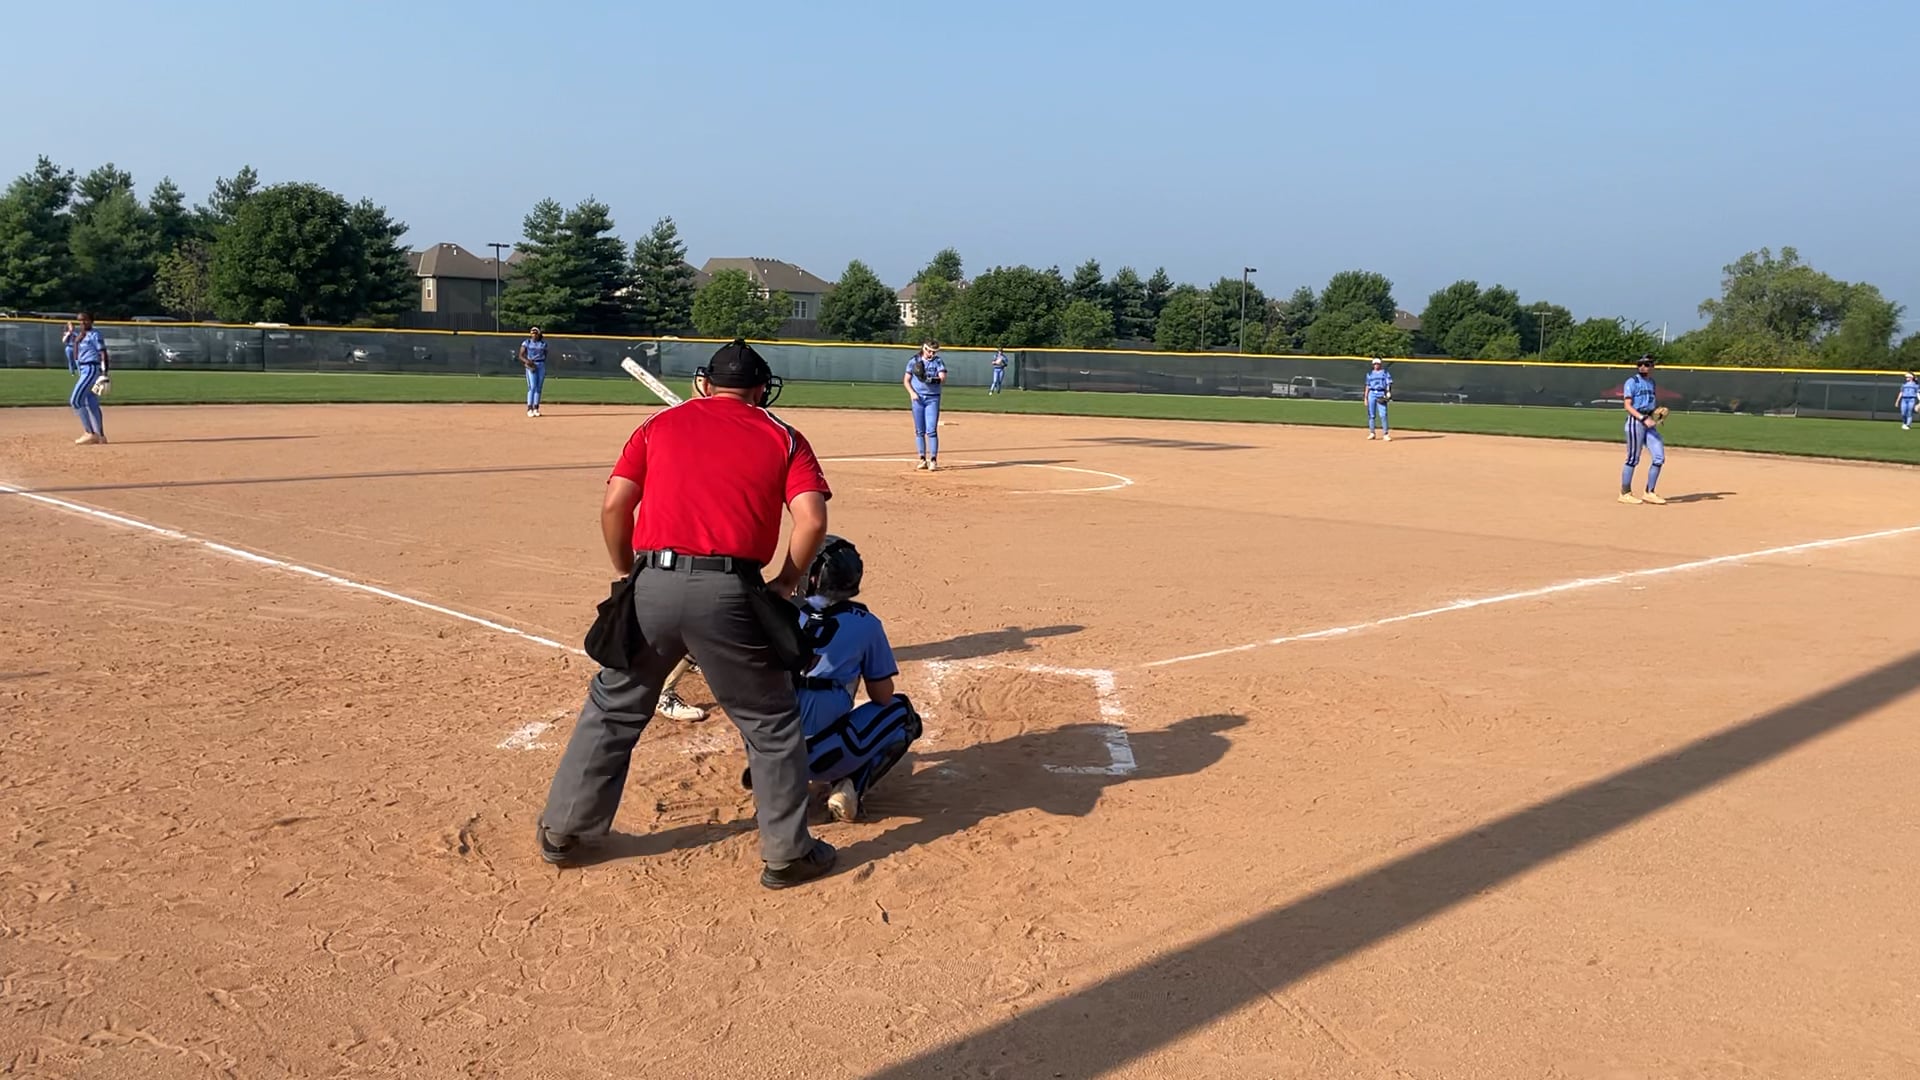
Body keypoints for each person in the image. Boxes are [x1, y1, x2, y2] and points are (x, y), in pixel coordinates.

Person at [537, 338, 838, 889]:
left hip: (651, 581)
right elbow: (812, 520)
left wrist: (628, 572)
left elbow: (615, 504)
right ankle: (787, 854)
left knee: (614, 707)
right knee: (769, 722)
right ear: (760, 390)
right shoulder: (783, 435)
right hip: (730, 591)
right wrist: (786, 582)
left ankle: (565, 831)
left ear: (705, 383)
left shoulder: (658, 425)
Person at [740, 535, 922, 824]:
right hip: (824, 754)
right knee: (903, 714)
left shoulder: (776, 613)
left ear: (811, 578)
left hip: (768, 746)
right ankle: (850, 788)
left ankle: (772, 785)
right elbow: (882, 696)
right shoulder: (866, 623)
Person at [1619, 354, 1668, 505]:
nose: (1642, 367)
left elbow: (1649, 405)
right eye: (1640, 364)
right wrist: (1643, 418)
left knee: (1659, 457)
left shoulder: (1651, 382)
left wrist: (1657, 412)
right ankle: (1625, 493)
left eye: (1646, 364)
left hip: (1648, 421)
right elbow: (1627, 406)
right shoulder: (1632, 382)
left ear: (1652, 366)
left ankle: (1649, 492)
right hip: (1635, 422)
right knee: (1633, 458)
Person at [62, 313, 110, 445]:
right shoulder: (80, 335)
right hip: (83, 369)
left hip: (91, 368)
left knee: (76, 400)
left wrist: (104, 373)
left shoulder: (95, 334)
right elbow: (70, 346)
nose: (82, 322)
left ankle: (90, 433)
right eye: (80, 321)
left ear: (91, 321)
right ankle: (100, 436)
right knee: (91, 401)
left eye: (85, 320)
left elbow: (103, 353)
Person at [904, 341, 947, 470]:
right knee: (919, 431)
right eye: (930, 351)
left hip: (932, 398)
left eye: (934, 352)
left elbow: (942, 378)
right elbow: (906, 380)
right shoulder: (914, 361)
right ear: (924, 348)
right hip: (918, 398)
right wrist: (912, 393)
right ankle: (922, 459)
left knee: (931, 430)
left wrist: (927, 379)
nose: (932, 354)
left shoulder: (938, 361)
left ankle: (933, 460)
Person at [518, 327, 548, 417]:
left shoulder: (543, 344)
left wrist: (540, 363)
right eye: (532, 333)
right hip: (531, 364)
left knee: (539, 387)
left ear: (539, 334)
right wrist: (527, 362)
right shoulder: (527, 342)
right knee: (532, 386)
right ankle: (529, 408)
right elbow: (521, 355)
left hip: (540, 364)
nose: (534, 335)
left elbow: (545, 355)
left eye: (535, 333)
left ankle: (536, 408)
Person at [1363, 357, 1392, 441]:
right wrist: (1365, 397)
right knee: (1371, 415)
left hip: (1381, 393)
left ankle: (1385, 434)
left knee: (1383, 414)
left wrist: (1388, 392)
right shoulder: (1370, 374)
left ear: (1380, 364)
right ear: (1373, 365)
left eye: (1378, 364)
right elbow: (1367, 386)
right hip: (1372, 393)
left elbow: (1388, 384)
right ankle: (1372, 433)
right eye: (1375, 364)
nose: (1376, 365)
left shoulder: (1385, 373)